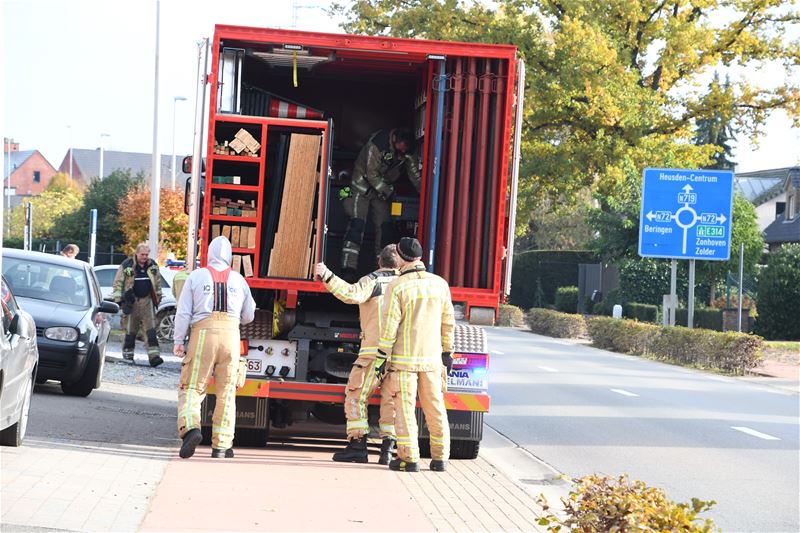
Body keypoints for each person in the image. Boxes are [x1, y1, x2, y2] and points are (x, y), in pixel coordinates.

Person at [314, 244, 400, 465]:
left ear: (379, 261)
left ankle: (357, 446)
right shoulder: (406, 284)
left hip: (374, 352)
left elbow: (351, 294)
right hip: (400, 354)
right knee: (392, 400)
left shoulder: (373, 281)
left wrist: (328, 276)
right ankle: (388, 450)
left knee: (356, 396)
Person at [173, 236, 256, 459]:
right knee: (227, 392)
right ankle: (222, 446)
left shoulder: (196, 277)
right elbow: (249, 315)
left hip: (203, 335)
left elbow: (183, 312)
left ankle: (191, 428)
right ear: (230, 257)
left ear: (208, 254)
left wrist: (179, 341)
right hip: (231, 336)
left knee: (192, 387)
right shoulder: (239, 280)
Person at [377, 237, 454, 472]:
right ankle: (440, 459)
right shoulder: (440, 284)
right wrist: (447, 353)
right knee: (435, 408)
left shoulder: (397, 286)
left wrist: (381, 356)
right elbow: (448, 322)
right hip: (432, 360)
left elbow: (390, 326)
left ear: (399, 257)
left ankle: (409, 459)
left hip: (404, 362)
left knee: (405, 410)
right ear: (420, 257)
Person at [341, 128, 421, 275]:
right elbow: (371, 175)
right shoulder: (378, 144)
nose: (403, 151)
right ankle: (348, 269)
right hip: (362, 187)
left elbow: (414, 173)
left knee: (385, 230)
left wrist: (423, 191)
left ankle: (381, 271)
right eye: (401, 147)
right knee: (356, 226)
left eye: (405, 148)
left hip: (382, 192)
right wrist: (389, 192)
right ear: (395, 139)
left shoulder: (408, 151)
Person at [111, 243, 163, 367]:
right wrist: (119, 300)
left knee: (150, 329)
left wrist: (158, 297)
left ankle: (154, 357)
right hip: (132, 301)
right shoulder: (127, 265)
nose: (145, 257)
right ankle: (128, 356)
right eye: (142, 254)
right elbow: (118, 282)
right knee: (130, 330)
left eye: (147, 254)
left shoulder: (152, 266)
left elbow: (157, 283)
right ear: (137, 253)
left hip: (147, 301)